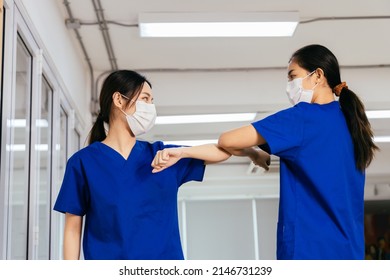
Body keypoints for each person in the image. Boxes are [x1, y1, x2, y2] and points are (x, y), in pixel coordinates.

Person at [217, 44, 379, 259]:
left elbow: (227, 140)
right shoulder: (352, 122)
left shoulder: (302, 117)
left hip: (309, 250)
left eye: (292, 76)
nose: (289, 85)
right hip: (349, 251)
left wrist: (254, 154)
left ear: (318, 75)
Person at [53, 70, 233, 260]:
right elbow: (72, 230)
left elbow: (222, 151)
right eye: (145, 99)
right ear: (119, 100)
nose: (150, 107)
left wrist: (182, 152)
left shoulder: (163, 155)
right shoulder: (83, 163)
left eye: (152, 102)